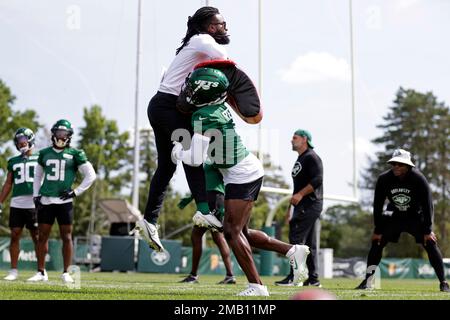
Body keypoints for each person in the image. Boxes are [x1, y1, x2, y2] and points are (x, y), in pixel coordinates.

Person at [171, 67, 310, 296]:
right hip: (242, 170)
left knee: (231, 232)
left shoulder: (203, 114)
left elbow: (195, 159)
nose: (189, 91)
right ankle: (292, 251)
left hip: (241, 174)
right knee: (242, 232)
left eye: (193, 87)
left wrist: (178, 152)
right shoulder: (214, 107)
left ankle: (257, 286)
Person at [135, 6, 230, 253]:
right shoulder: (203, 40)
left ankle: (149, 221)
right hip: (167, 107)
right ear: (210, 27)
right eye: (221, 23)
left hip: (160, 106)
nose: (225, 27)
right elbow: (227, 62)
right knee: (192, 156)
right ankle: (204, 210)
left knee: (167, 167)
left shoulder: (196, 42)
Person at [355, 149, 450, 292]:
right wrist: (377, 229)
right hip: (395, 215)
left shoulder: (418, 179)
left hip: (415, 216)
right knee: (377, 242)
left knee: (430, 242)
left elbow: (428, 205)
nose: (396, 167)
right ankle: (367, 281)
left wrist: (428, 230)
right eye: (394, 164)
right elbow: (378, 205)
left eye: (400, 164)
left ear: (408, 165)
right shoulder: (384, 179)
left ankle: (443, 283)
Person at [28, 119, 96, 283]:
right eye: (59, 132)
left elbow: (91, 175)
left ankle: (66, 272)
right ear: (53, 134)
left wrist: (75, 192)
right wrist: (36, 195)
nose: (61, 136)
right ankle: (41, 272)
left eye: (64, 133)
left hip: (64, 202)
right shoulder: (44, 153)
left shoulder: (75, 153)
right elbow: (37, 176)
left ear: (69, 136)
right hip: (46, 199)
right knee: (42, 237)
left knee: (67, 237)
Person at [275, 129, 323, 287]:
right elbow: (296, 188)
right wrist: (290, 209)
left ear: (304, 139)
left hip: (310, 204)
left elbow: (318, 179)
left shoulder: (311, 157)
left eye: (294, 137)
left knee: (296, 239)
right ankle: (313, 279)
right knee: (309, 244)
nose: (291, 140)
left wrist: (301, 195)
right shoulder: (301, 158)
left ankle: (293, 277)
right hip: (302, 205)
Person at [179, 164, 235, 285]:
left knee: (197, 235)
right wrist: (190, 198)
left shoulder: (216, 157)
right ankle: (230, 275)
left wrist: (223, 202)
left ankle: (193, 275)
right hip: (207, 199)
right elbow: (202, 183)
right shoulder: (203, 159)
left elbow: (228, 178)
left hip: (215, 198)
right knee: (217, 237)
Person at [0, 128, 39, 281]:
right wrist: (0, 201)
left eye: (24, 139)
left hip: (35, 202)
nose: (21, 143)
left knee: (37, 237)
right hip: (17, 202)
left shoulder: (40, 158)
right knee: (14, 235)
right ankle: (14, 270)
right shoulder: (13, 161)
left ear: (30, 139)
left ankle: (41, 271)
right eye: (19, 141)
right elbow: (8, 183)